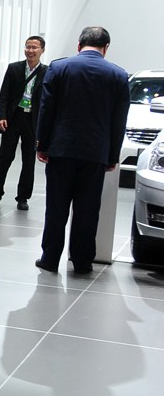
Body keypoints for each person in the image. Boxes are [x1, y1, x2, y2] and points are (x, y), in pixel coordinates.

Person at [34, 26, 129, 275]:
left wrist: (42, 145)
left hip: (61, 149)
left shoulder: (59, 68)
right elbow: (119, 121)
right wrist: (112, 155)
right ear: (106, 48)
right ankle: (83, 261)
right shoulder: (118, 75)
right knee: (87, 209)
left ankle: (50, 258)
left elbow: (46, 109)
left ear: (79, 45)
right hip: (95, 152)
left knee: (56, 207)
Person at [0, 35, 47, 210]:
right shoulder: (14, 68)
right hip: (13, 118)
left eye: (34, 47)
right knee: (5, 157)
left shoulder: (47, 71)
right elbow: (4, 94)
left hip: (32, 120)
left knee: (29, 161)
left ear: (42, 50)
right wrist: (1, 116)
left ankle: (23, 197)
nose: (30, 50)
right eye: (28, 47)